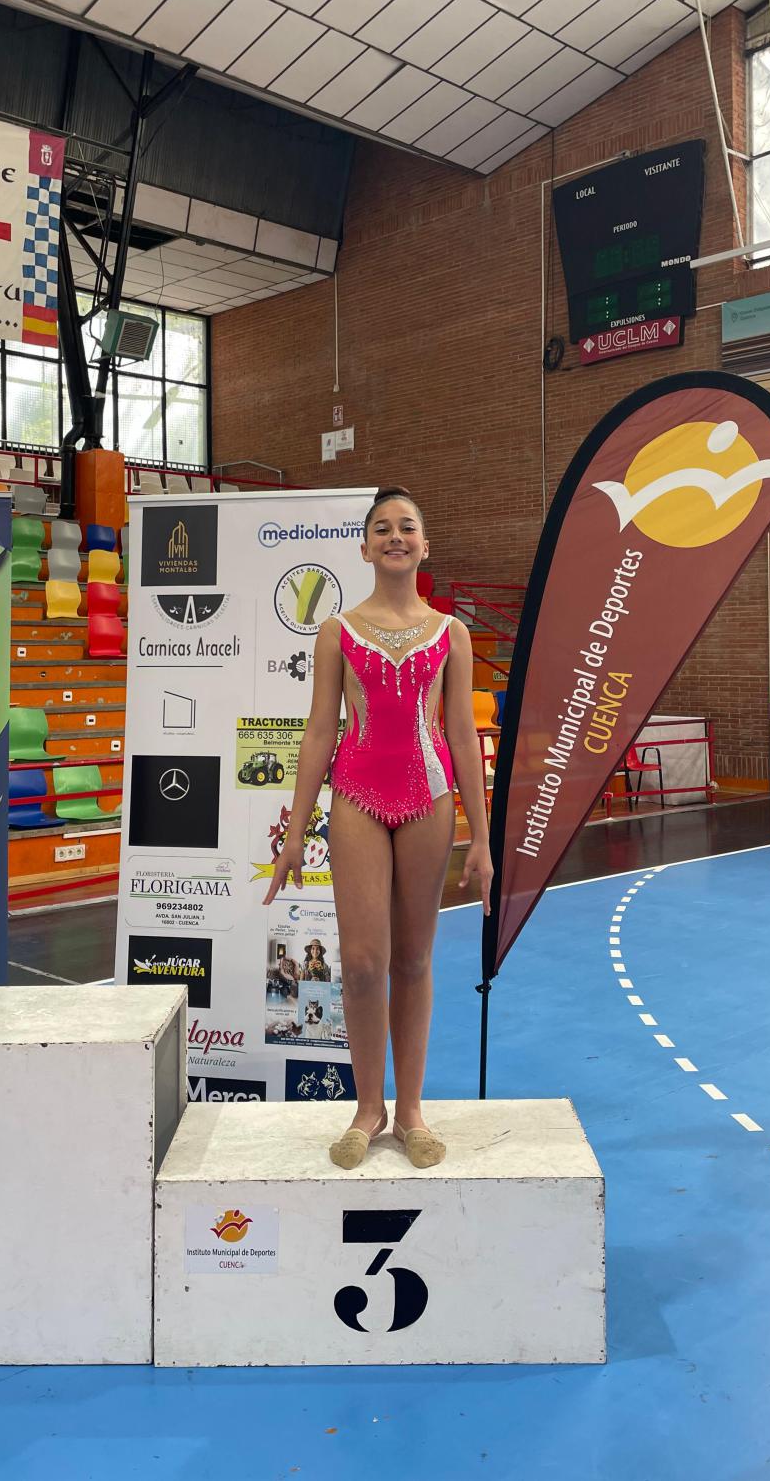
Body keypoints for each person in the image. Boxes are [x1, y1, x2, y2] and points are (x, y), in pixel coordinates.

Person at [263, 486, 493, 1170]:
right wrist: (296, 831)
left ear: (424, 545)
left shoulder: (452, 634)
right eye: (383, 528)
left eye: (407, 527)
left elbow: (462, 733)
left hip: (429, 798)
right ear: (364, 548)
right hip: (357, 797)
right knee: (363, 964)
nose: (395, 536)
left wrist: (481, 837)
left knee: (414, 959)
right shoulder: (337, 630)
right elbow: (319, 731)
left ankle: (412, 1110)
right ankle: (369, 1108)